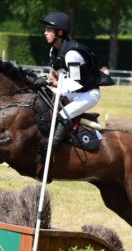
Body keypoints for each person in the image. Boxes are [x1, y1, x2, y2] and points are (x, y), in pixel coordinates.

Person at [39, 11, 107, 148]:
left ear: (59, 32)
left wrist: (50, 82)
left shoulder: (72, 54)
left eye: (48, 30)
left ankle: (53, 144)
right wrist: (44, 80)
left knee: (64, 113)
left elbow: (74, 83)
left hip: (87, 94)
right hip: (74, 92)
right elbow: (53, 75)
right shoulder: (53, 51)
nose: (45, 33)